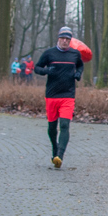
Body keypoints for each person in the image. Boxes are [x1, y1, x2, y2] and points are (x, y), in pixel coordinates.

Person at [36, 27, 92, 168]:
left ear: (70, 40)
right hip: (51, 95)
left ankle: (60, 156)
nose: (65, 41)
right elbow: (37, 67)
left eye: (68, 39)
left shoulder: (74, 54)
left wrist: (78, 74)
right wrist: (46, 71)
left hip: (68, 95)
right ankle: (55, 149)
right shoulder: (49, 53)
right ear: (58, 38)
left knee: (65, 125)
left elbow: (80, 66)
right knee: (52, 128)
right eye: (63, 38)